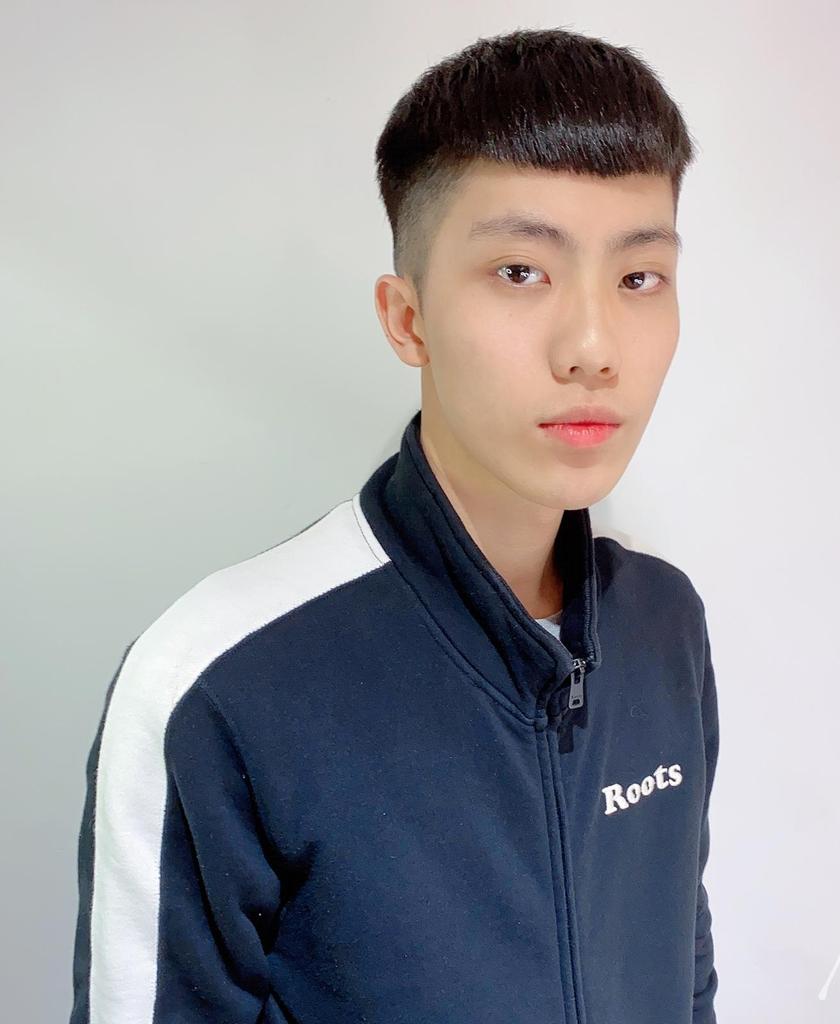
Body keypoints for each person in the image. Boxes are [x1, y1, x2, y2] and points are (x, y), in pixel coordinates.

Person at [69, 26, 721, 1024]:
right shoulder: (216, 686)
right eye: (520, 271)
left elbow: (684, 974)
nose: (593, 347)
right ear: (406, 318)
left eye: (638, 278)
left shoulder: (662, 626)